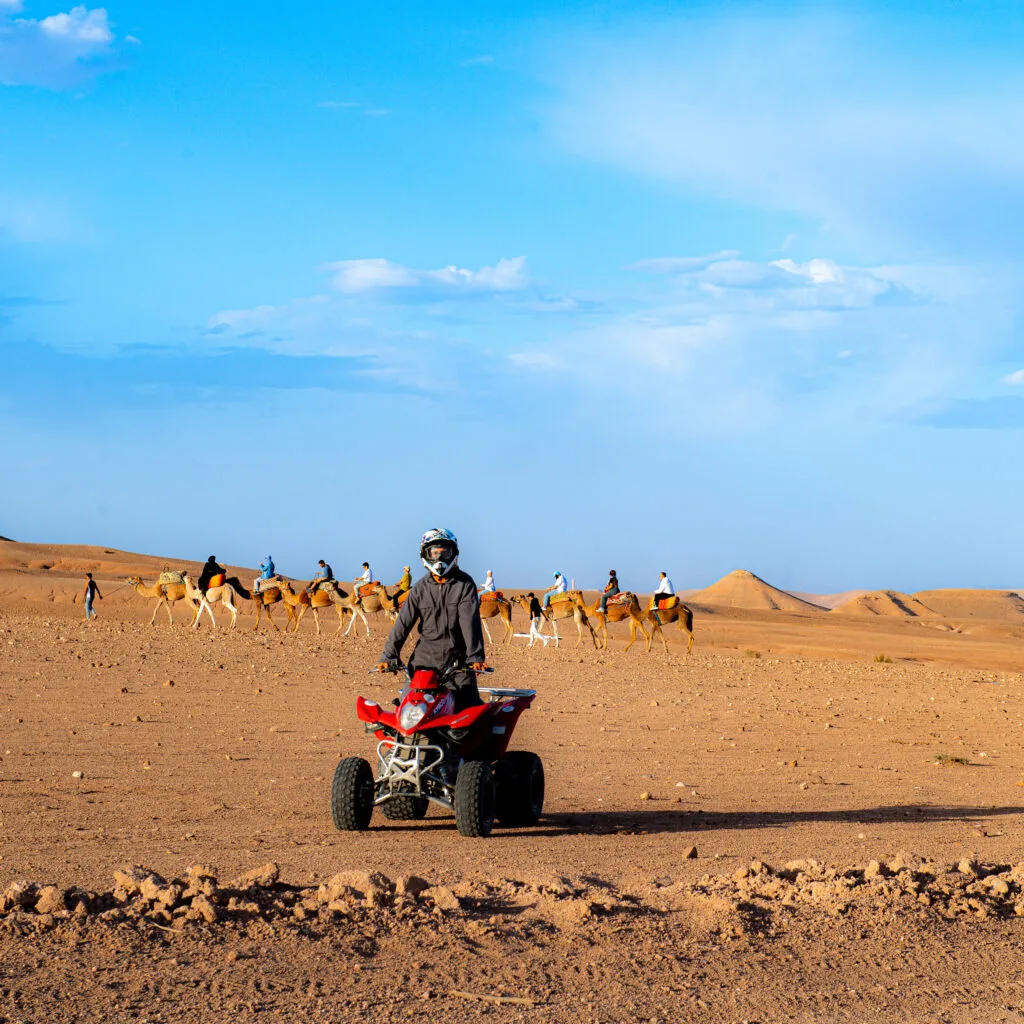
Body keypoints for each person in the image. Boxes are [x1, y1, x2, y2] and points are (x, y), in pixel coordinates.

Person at [376, 528, 488, 712]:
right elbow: (402, 624)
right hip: (422, 664)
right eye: (434, 553)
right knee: (406, 715)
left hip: (458, 666)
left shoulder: (465, 585)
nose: (440, 558)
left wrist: (475, 657)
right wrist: (389, 656)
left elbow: (470, 623)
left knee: (471, 717)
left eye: (445, 553)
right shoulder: (420, 588)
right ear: (425, 555)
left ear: (454, 553)